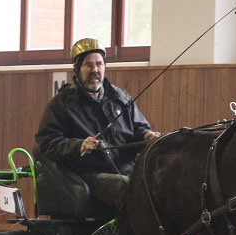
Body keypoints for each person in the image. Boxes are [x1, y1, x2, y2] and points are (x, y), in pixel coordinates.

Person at [35, 38, 161, 212]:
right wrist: (78, 145)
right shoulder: (62, 103)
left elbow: (139, 128)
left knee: (162, 179)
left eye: (99, 64)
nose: (95, 70)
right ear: (77, 69)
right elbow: (47, 142)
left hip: (128, 170)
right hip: (88, 175)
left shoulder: (120, 97)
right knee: (126, 186)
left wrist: (147, 135)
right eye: (88, 65)